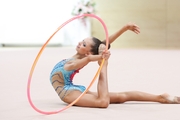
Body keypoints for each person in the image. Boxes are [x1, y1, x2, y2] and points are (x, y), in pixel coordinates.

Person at [50, 23, 180, 108]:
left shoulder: (75, 62)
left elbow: (90, 58)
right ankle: (160, 98)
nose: (80, 43)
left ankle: (160, 98)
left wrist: (103, 59)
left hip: (67, 92)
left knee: (103, 102)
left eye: (84, 45)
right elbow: (103, 44)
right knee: (119, 97)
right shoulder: (77, 58)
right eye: (82, 41)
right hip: (73, 87)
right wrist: (124, 28)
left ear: (88, 51)